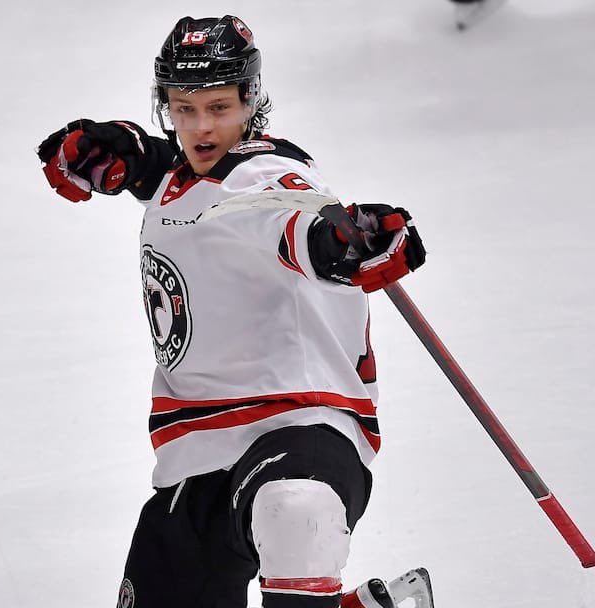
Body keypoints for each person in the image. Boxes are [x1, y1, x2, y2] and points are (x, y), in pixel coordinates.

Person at [36, 15, 429, 608]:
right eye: (183, 107)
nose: (200, 127)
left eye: (218, 107)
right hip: (195, 452)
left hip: (299, 429)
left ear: (251, 99)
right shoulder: (182, 174)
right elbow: (181, 179)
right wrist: (129, 156)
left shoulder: (268, 175)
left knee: (294, 509)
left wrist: (341, 243)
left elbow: (288, 215)